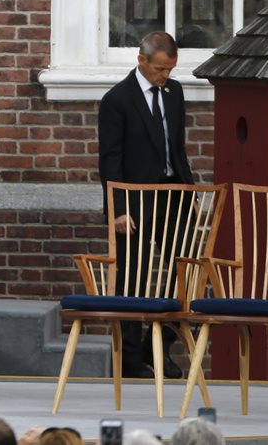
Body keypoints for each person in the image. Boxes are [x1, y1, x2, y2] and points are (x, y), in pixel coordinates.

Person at [98, 31, 193, 379]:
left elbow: (177, 147)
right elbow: (109, 161)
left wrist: (190, 193)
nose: (164, 75)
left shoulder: (175, 91)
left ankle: (162, 346)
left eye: (170, 69)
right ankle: (132, 360)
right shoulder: (117, 100)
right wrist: (118, 208)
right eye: (159, 69)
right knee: (131, 280)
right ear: (142, 61)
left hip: (173, 195)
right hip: (134, 201)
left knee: (185, 271)